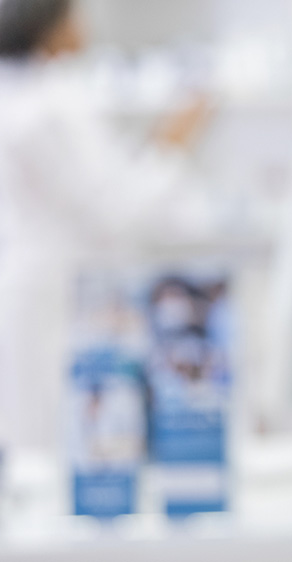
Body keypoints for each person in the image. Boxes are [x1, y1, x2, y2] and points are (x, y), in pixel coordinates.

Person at [0, 0, 213, 455]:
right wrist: (174, 141)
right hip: (56, 299)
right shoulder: (51, 103)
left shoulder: (19, 94)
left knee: (32, 445)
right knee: (55, 445)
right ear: (51, 27)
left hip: (35, 291)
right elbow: (118, 212)